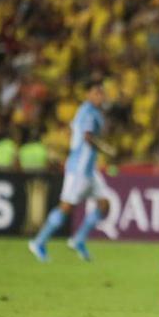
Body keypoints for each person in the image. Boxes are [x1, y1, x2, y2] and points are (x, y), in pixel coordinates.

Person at [28, 80, 114, 262]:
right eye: (96, 92)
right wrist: (106, 149)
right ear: (88, 94)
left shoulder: (91, 112)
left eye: (102, 92)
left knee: (104, 204)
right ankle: (39, 242)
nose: (100, 96)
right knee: (66, 207)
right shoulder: (88, 112)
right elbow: (88, 137)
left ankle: (78, 239)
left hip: (90, 170)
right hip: (79, 169)